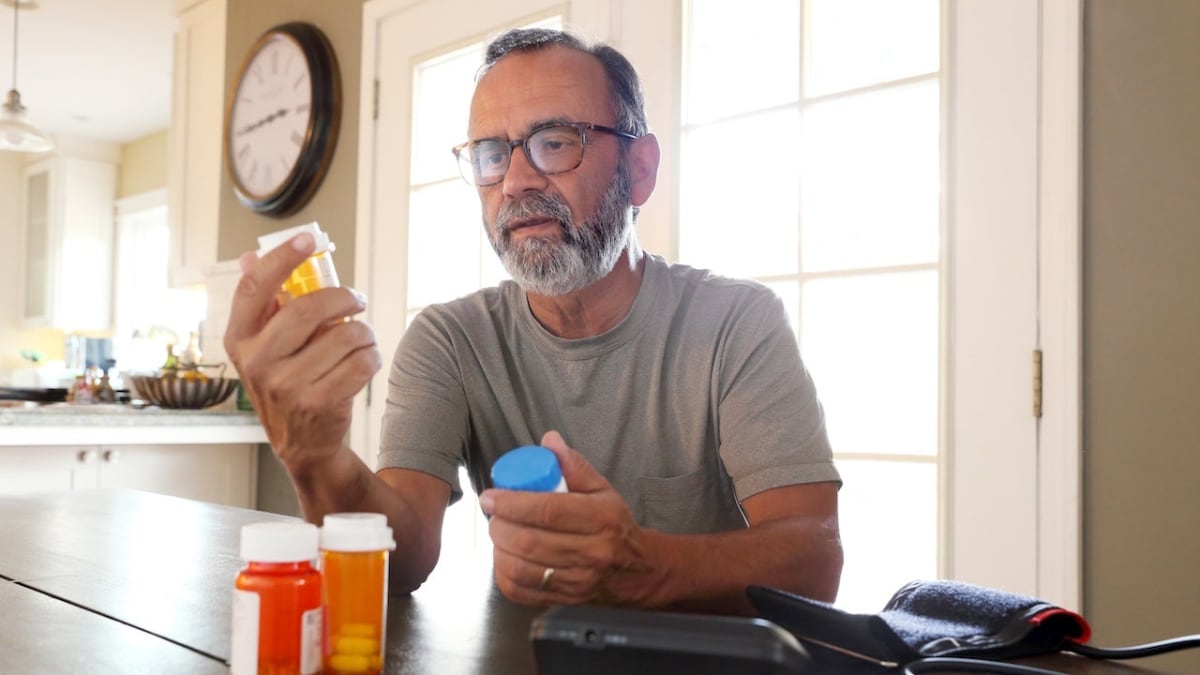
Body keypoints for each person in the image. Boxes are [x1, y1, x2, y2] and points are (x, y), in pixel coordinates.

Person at [225, 27, 842, 616]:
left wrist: (643, 564)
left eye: (556, 141)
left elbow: (814, 561)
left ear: (641, 169)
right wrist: (315, 458)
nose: (516, 181)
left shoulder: (736, 322)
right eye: (492, 154)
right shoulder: (450, 341)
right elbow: (401, 561)